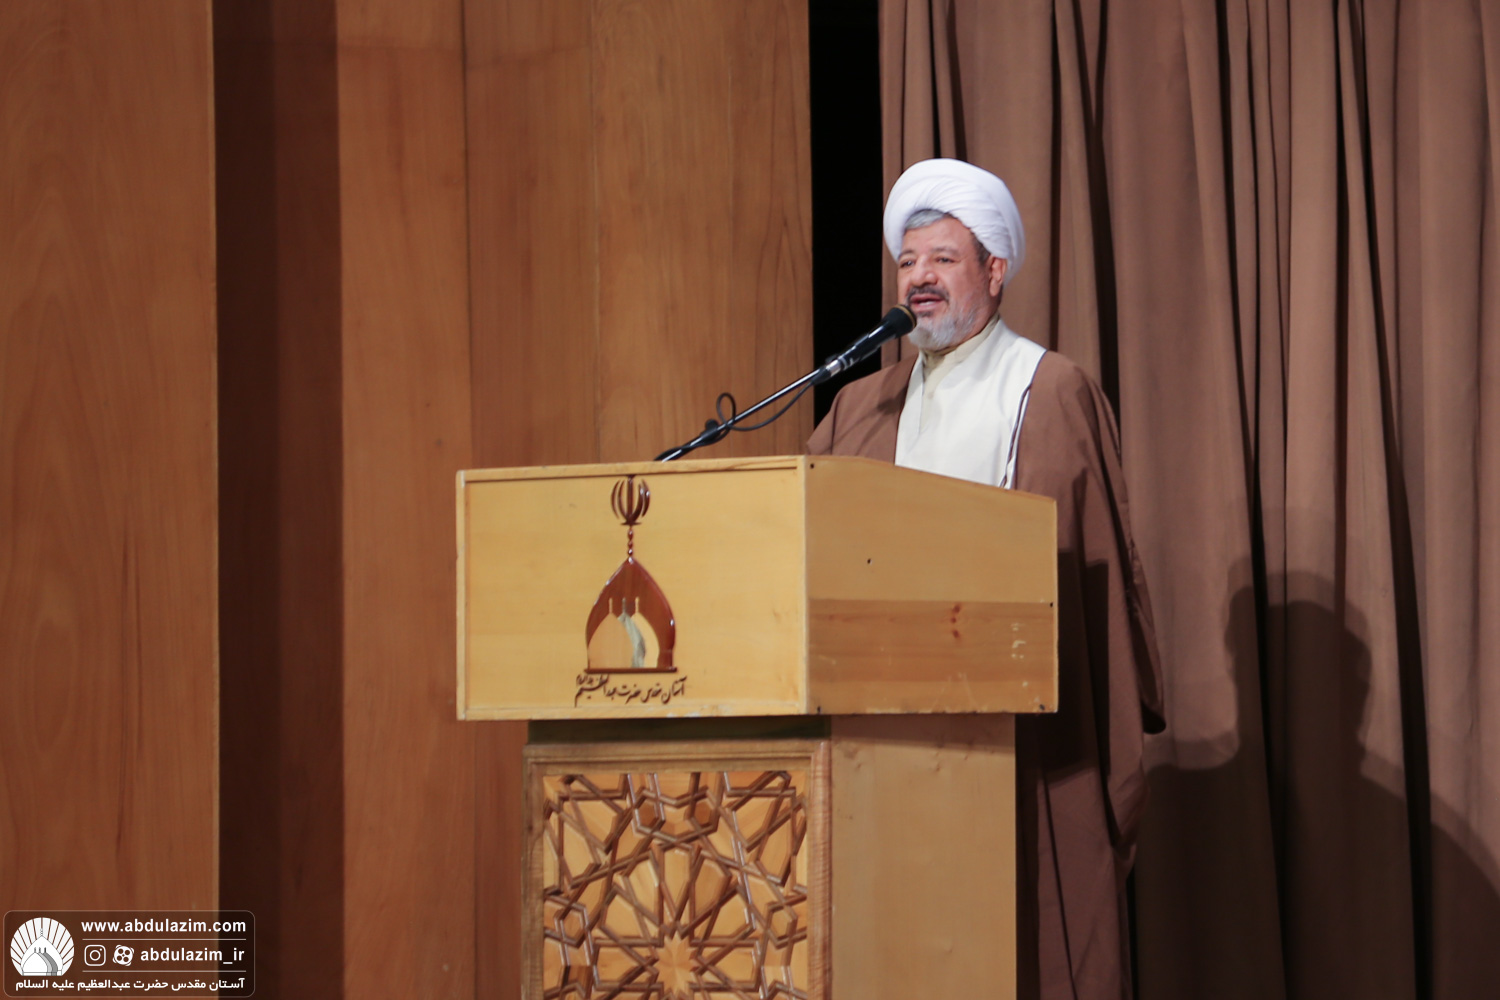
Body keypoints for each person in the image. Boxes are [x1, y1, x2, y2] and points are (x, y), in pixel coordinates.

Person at [808, 158, 1165, 1000]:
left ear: (995, 271)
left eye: (943, 258)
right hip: (875, 741)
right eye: (908, 262)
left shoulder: (1049, 390)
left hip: (1016, 735)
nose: (919, 279)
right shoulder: (860, 408)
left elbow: (1091, 587)